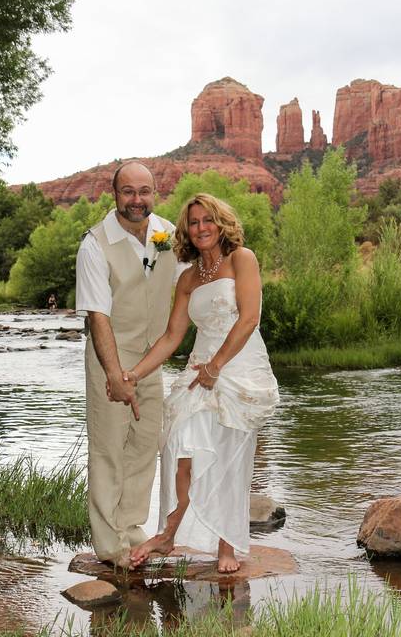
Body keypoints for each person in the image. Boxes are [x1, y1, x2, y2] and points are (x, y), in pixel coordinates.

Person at [123, 193, 279, 573]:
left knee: (231, 456)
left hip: (237, 366)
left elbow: (249, 319)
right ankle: (168, 534)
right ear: (186, 231)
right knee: (181, 453)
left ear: (221, 222)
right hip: (199, 369)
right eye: (193, 223)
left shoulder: (242, 259)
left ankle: (227, 545)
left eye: (207, 220)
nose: (200, 228)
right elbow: (172, 336)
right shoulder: (189, 277)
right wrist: (134, 373)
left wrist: (217, 367)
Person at [75, 161, 179, 567]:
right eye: (129, 192)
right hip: (110, 357)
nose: (138, 200)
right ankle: (109, 545)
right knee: (108, 450)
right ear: (114, 194)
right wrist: (115, 375)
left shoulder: (166, 234)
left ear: (155, 192)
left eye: (145, 191)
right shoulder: (95, 244)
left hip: (152, 360)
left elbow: (191, 278)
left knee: (144, 446)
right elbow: (97, 316)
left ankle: (133, 532)